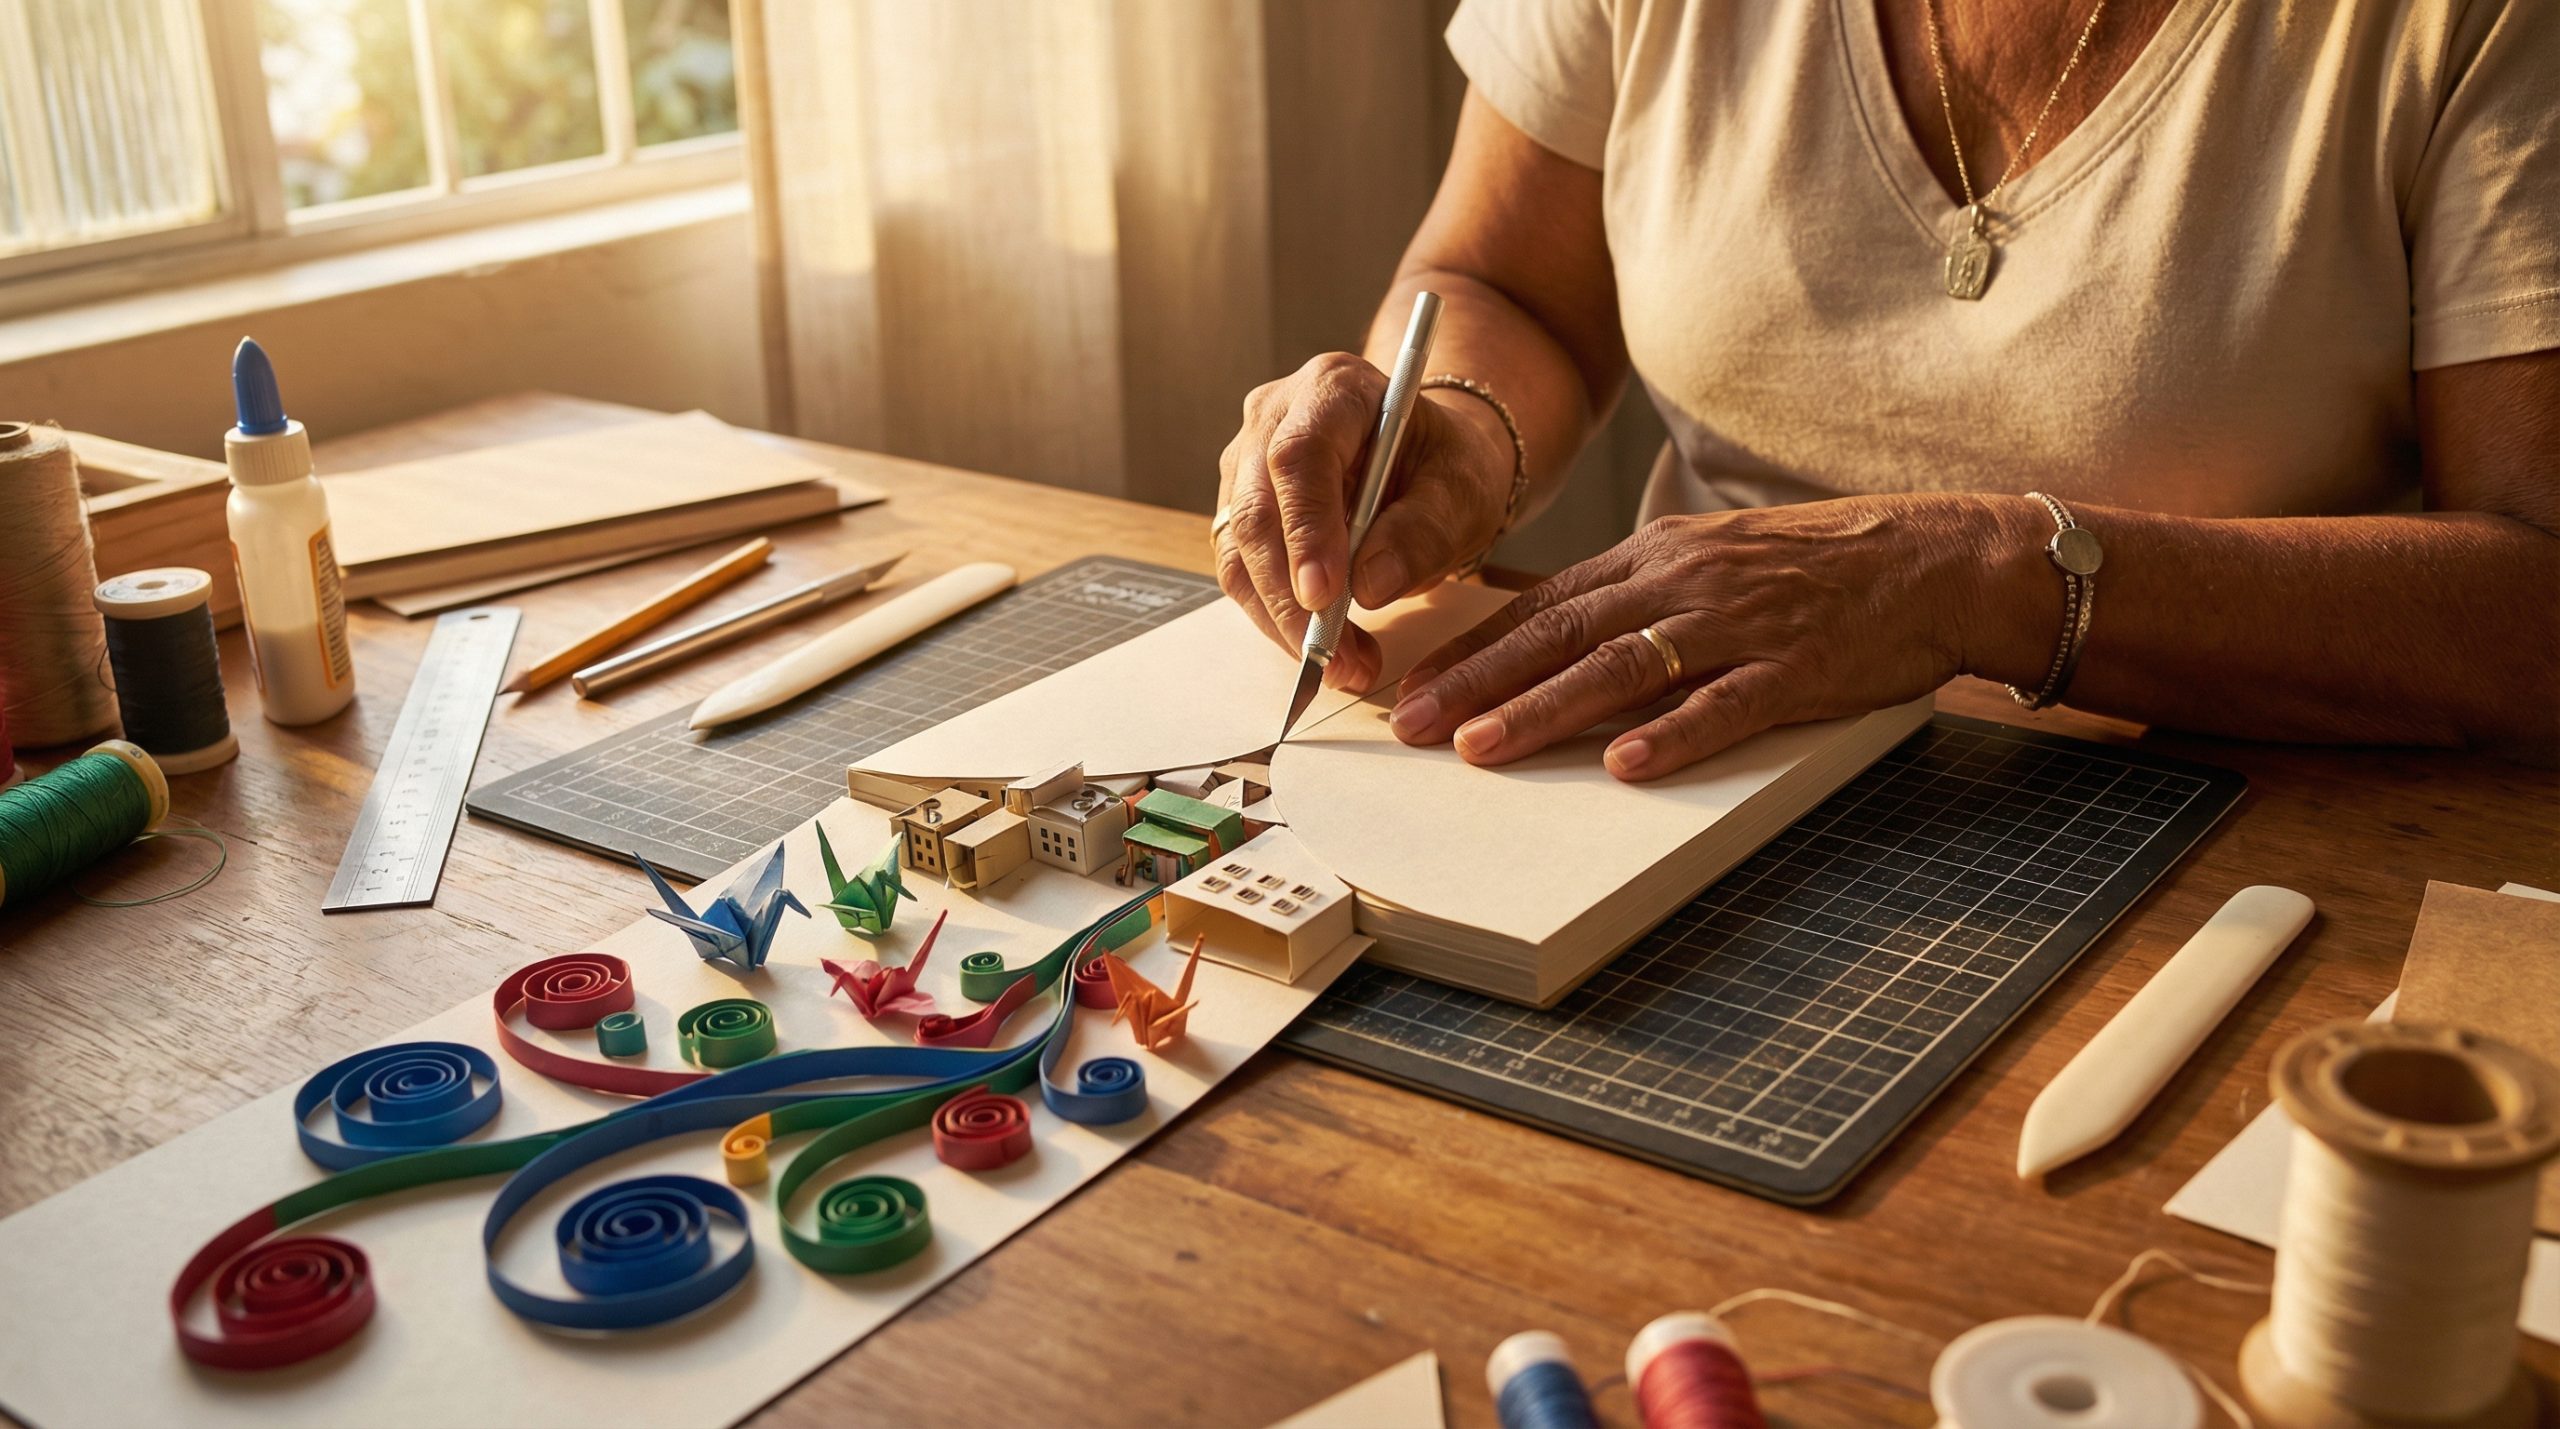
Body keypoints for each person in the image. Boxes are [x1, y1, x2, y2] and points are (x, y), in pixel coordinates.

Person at [1212, 0, 2559, 781]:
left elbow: (2534, 603)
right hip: (1688, 759)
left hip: (2234, 809)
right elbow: (1506, 287)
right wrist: (1448, 426)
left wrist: (1975, 574)